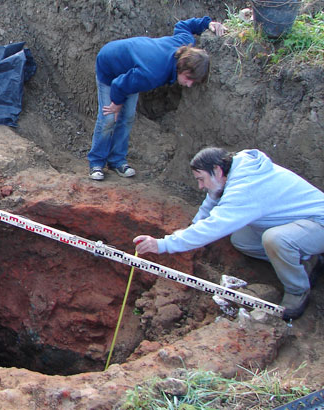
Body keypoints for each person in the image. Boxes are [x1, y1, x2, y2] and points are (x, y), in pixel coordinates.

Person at [133, 147, 324, 320]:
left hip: (318, 224)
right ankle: (303, 259)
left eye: (201, 179)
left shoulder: (245, 189)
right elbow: (212, 199)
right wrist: (193, 226)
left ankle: (297, 290)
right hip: (292, 222)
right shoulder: (234, 168)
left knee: (275, 239)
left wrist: (163, 244)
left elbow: (214, 226)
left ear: (216, 170)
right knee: (241, 239)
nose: (200, 186)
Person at [88, 16, 226, 181]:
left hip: (131, 68)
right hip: (109, 65)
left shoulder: (184, 44)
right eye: (189, 79)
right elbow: (118, 84)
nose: (189, 85)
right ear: (182, 67)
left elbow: (183, 25)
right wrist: (116, 105)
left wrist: (207, 23)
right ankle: (96, 162)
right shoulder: (153, 74)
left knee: (127, 117)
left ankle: (117, 161)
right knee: (109, 118)